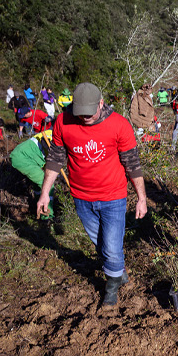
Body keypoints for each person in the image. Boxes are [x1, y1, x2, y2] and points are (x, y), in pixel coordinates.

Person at [36, 83, 148, 306]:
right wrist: (44, 194)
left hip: (113, 196)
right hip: (82, 197)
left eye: (89, 112)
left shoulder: (118, 125)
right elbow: (55, 160)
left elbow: (132, 164)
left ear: (101, 103)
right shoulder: (63, 122)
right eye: (80, 112)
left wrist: (142, 198)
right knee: (101, 245)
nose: (85, 117)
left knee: (111, 247)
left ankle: (112, 287)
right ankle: (119, 272)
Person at [10, 128, 62, 231]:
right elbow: (45, 141)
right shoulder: (53, 134)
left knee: (38, 184)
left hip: (31, 159)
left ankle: (37, 206)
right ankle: (47, 217)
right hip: (22, 158)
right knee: (47, 184)